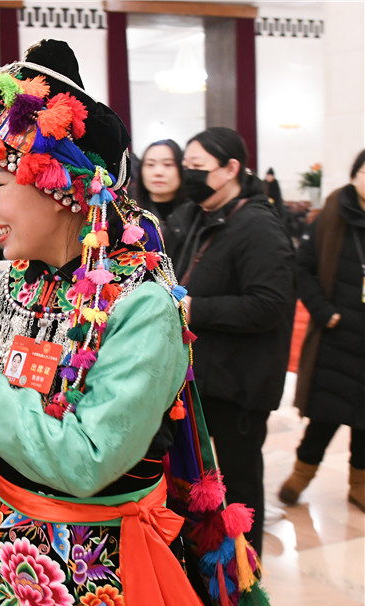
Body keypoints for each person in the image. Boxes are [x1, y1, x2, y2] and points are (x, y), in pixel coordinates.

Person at [0, 39, 274, 606]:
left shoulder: (141, 303)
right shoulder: (20, 283)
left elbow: (90, 459)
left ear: (59, 184)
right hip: (3, 592)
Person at [164, 127, 296, 554]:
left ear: (232, 169)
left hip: (238, 385)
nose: (188, 176)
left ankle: (244, 571)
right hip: (203, 379)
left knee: (239, 485)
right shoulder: (199, 215)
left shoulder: (258, 225)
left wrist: (196, 308)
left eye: (197, 168)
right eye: (186, 167)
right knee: (201, 484)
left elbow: (270, 305)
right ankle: (209, 568)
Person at [280, 149, 365, 512]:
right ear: (355, 174)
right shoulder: (332, 213)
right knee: (325, 416)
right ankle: (301, 475)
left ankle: (359, 485)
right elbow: (305, 268)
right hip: (337, 334)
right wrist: (325, 313)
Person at [136, 139, 186, 223]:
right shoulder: (130, 214)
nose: (158, 172)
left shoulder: (195, 214)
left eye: (168, 164)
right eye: (150, 164)